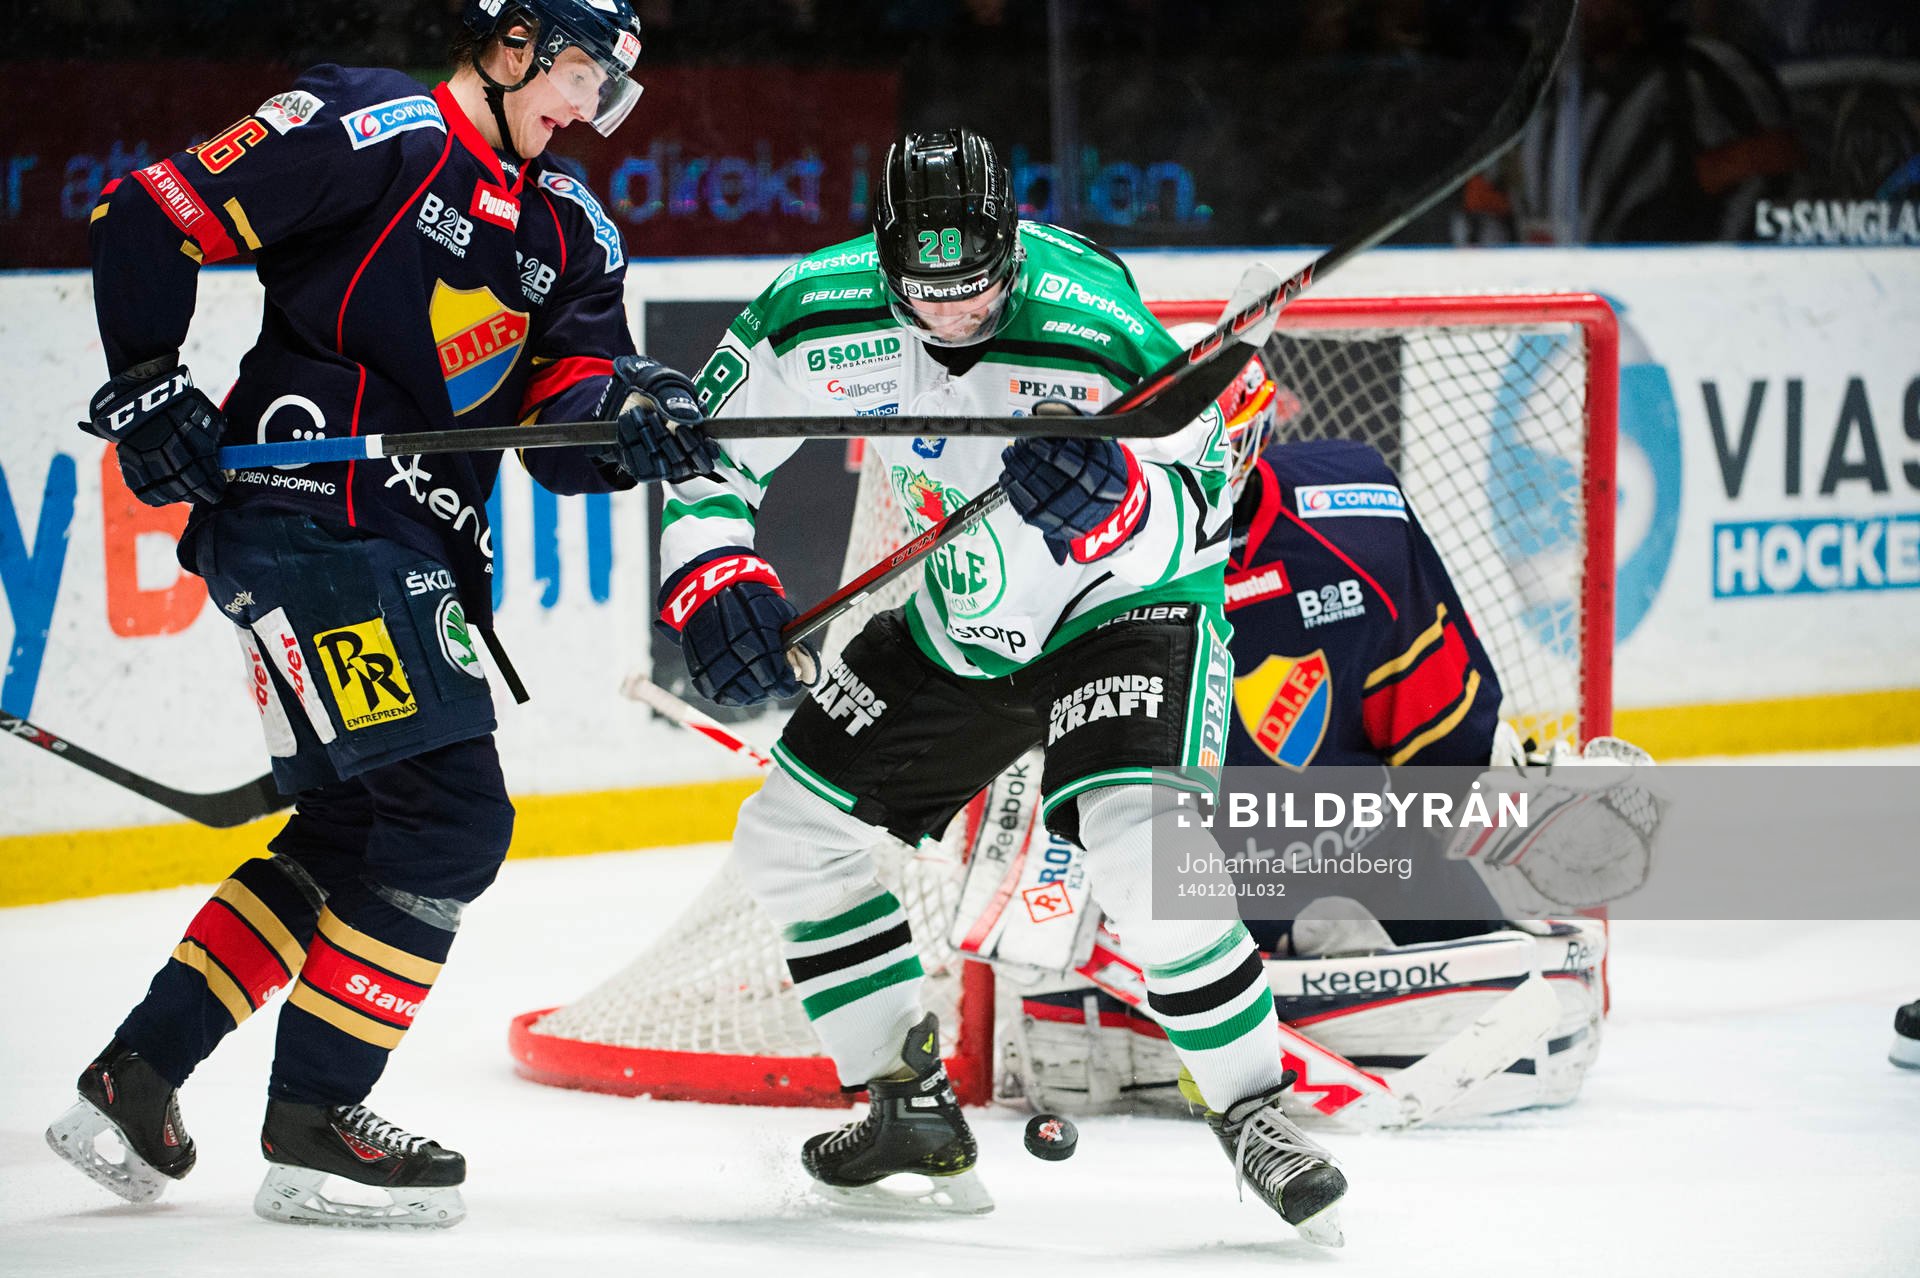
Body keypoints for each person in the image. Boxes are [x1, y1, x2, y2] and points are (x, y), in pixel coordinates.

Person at [47, 0, 716, 1229]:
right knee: (456, 819)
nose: (584, 112)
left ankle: (132, 1077)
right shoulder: (378, 125)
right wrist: (146, 382)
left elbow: (565, 421)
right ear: (512, 42)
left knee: (361, 835)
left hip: (407, 550)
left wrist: (635, 413)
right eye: (574, 75)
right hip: (312, 518)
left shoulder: (571, 226)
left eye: (606, 96)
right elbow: (153, 211)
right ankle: (314, 1126)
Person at [656, 129, 1347, 1244]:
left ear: (1010, 249)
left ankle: (1257, 1112)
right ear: (885, 261)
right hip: (962, 623)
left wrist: (1116, 498)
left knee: (1138, 843)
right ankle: (905, 1104)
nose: (954, 316)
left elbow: (1208, 496)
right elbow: (710, 453)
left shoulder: (1092, 318)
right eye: (927, 295)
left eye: (976, 289)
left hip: (1128, 609)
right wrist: (713, 571)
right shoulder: (810, 311)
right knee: (787, 840)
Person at [1003, 353, 1621, 1122]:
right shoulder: (1072, 551)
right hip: (1185, 846)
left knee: (1492, 931)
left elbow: (1435, 700)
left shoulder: (1347, 514)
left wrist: (1480, 799)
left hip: (1352, 820)